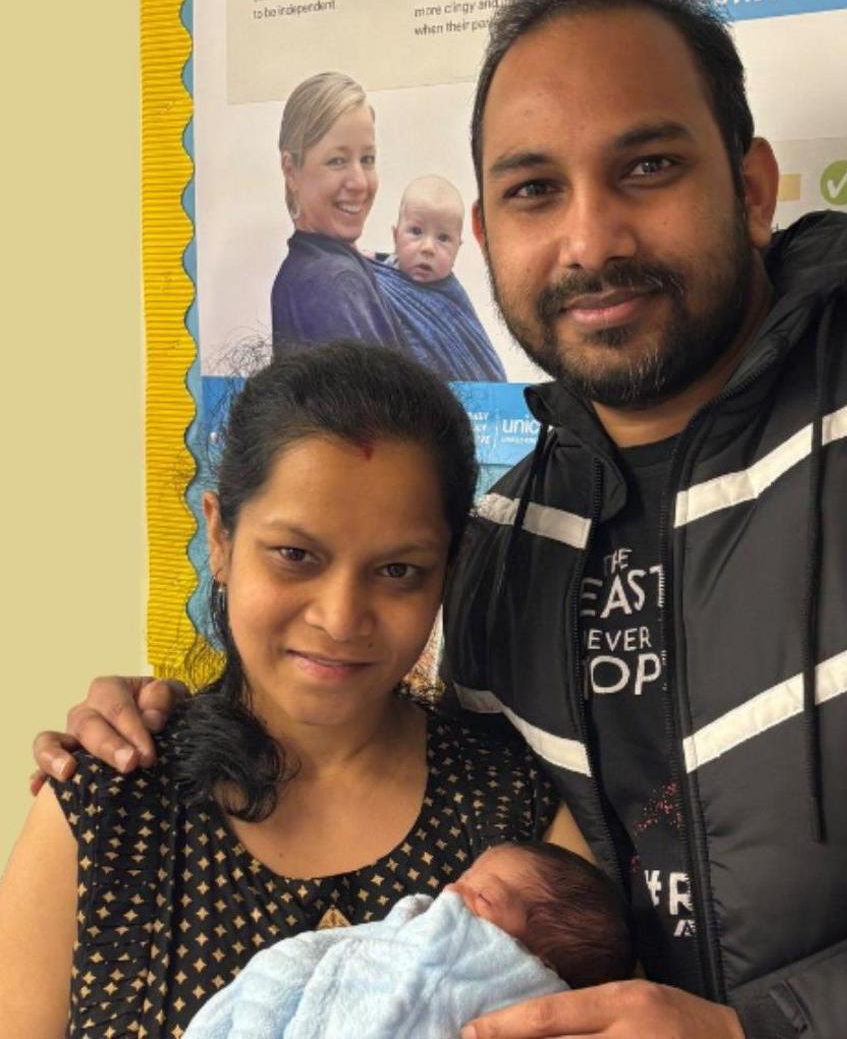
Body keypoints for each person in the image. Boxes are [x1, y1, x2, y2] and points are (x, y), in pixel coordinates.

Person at [34, 0, 847, 1036]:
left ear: (752, 187)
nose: (590, 240)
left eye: (648, 166)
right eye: (534, 190)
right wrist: (146, 713)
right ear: (485, 229)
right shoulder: (511, 550)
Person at [0, 342, 591, 1036]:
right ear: (219, 537)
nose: (340, 618)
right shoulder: (108, 805)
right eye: (295, 556)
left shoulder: (517, 819)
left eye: (399, 570)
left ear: (449, 570)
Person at [184, 842, 632, 1038]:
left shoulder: (515, 1000)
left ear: (536, 966)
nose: (450, 893)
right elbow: (291, 967)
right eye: (461, 879)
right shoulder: (407, 933)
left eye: (483, 896)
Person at [270, 72, 410, 355]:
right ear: (290, 170)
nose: (358, 182)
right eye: (337, 161)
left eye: (367, 159)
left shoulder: (307, 268)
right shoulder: (334, 283)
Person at [369, 174, 510, 382]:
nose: (428, 248)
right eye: (416, 232)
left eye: (443, 238)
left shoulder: (452, 300)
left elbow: (479, 365)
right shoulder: (375, 276)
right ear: (395, 236)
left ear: (457, 249)